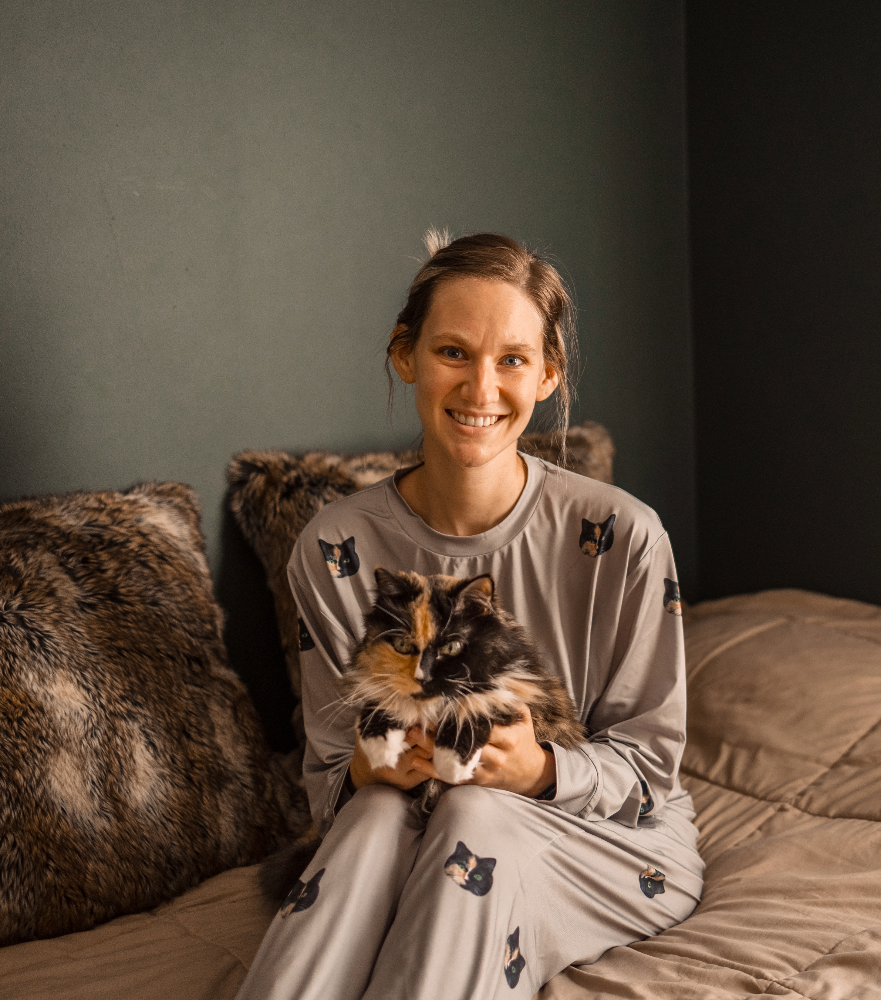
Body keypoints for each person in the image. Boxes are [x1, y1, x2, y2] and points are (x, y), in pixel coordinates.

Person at [234, 232, 704, 1000]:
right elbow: (329, 779)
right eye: (453, 352)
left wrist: (539, 771)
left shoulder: (623, 534)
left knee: (475, 817)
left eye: (513, 359)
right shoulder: (334, 548)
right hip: (402, 816)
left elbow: (650, 767)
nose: (481, 387)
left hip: (608, 840)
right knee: (374, 822)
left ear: (548, 373)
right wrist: (372, 766)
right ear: (404, 355)